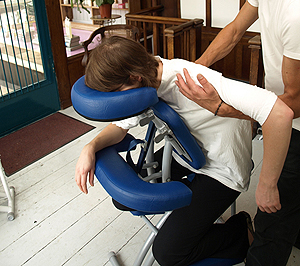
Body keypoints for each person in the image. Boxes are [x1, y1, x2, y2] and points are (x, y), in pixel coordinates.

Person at [75, 36, 293, 266]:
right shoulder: (143, 83)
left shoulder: (191, 78)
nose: (119, 100)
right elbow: (120, 127)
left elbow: (279, 113)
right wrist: (90, 147)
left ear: (134, 78)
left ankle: (240, 233)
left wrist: (268, 184)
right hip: (185, 155)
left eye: (117, 92)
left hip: (222, 169)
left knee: (168, 254)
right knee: (125, 199)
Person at [176, 0, 300, 266]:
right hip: (281, 114)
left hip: (294, 122)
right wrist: (195, 69)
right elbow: (232, 31)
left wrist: (219, 106)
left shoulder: (298, 4)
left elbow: (292, 103)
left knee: (272, 220)